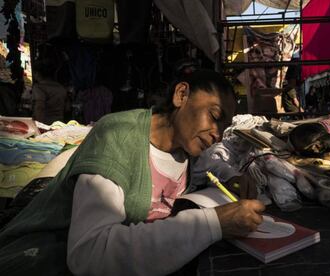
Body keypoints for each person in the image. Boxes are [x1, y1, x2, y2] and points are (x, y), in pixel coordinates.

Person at [0, 70, 265, 275]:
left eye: (224, 126)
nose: (217, 134)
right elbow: (89, 253)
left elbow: (209, 165)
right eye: (214, 115)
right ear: (181, 95)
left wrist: (233, 177)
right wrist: (212, 224)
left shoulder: (186, 148)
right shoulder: (116, 135)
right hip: (42, 260)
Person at [32, 59, 68, 125]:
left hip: (45, 124)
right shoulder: (61, 88)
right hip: (59, 123)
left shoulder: (39, 88)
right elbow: (66, 108)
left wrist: (38, 125)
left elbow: (39, 108)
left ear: (37, 73)